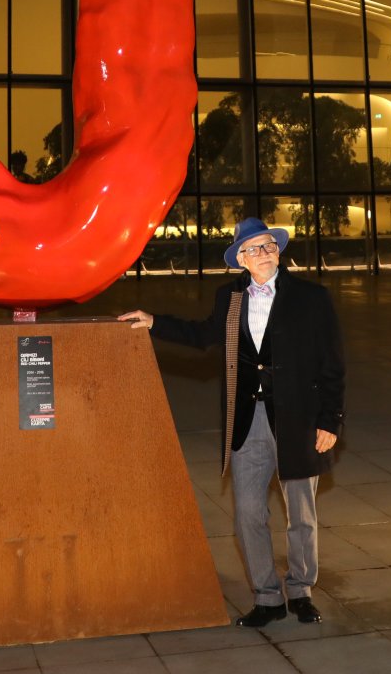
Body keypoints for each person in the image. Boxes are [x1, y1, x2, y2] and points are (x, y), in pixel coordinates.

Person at [119, 217, 344, 628]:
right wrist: (155, 323)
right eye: (254, 248)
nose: (264, 253)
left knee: (301, 514)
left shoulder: (311, 298)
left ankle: (301, 591)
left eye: (269, 246)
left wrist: (330, 421)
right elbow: (203, 334)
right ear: (240, 258)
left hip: (297, 421)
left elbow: (332, 364)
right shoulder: (232, 298)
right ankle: (267, 597)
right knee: (248, 514)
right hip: (248, 421)